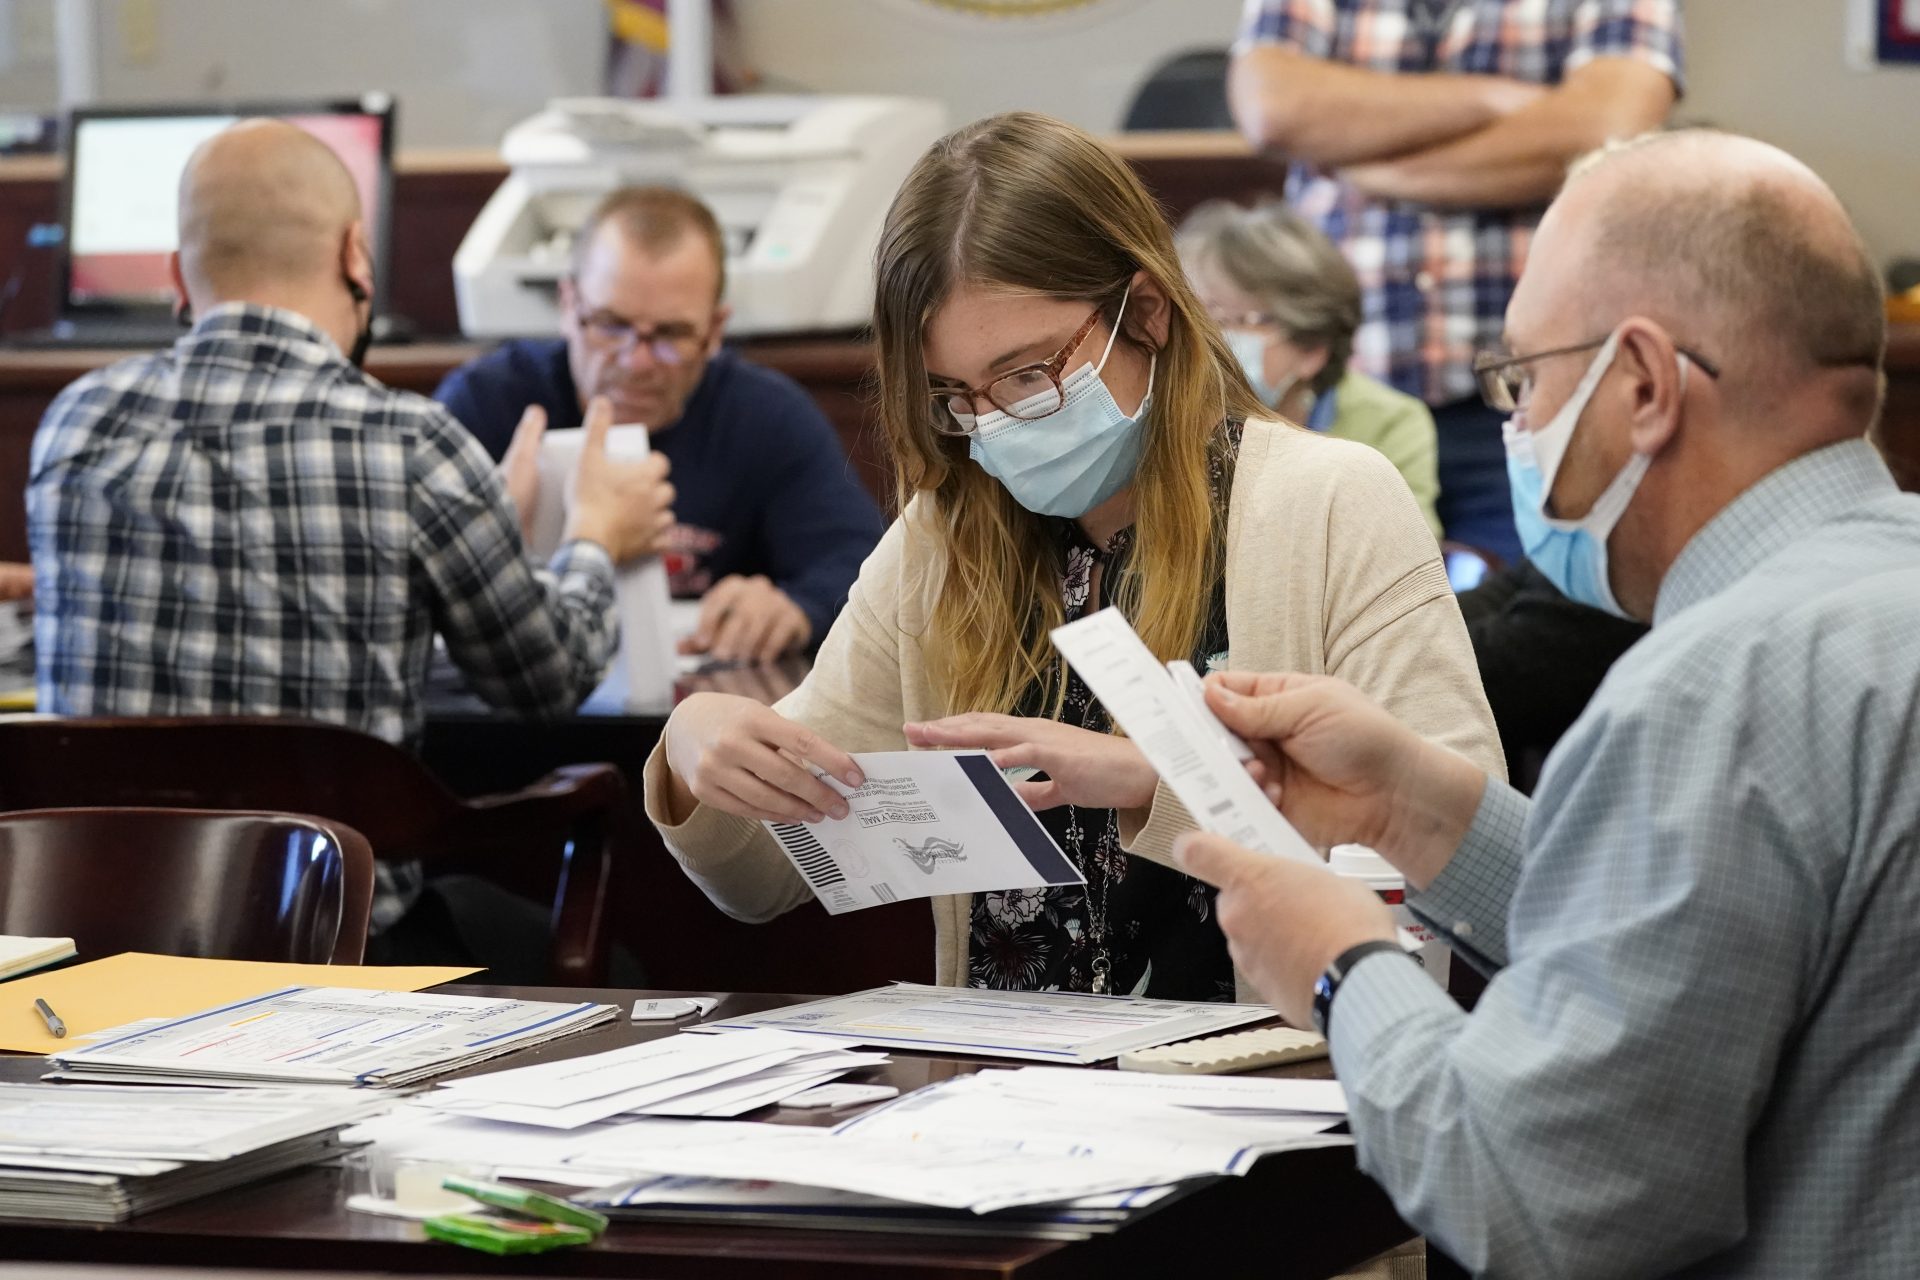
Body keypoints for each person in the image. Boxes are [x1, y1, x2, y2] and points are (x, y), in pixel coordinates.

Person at [1175, 130, 1917, 1275]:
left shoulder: (1709, 686)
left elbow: (1535, 1191)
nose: (1516, 426)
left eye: (1525, 380)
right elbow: (1714, 938)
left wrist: (1340, 965)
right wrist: (1417, 805)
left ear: (1643, 383)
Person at [642, 111, 1502, 1002]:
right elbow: (762, 880)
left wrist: (1156, 783)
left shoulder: (1327, 501)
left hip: (1264, 1088)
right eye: (956, 396)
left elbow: (1455, 860)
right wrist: (692, 749)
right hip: (1004, 1101)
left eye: (1028, 373)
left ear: (1149, 313)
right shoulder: (944, 542)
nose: (999, 424)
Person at [28, 119, 671, 962]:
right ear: (355, 257)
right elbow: (542, 681)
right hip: (337, 950)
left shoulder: (74, 427)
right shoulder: (411, 446)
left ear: (178, 277)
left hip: (102, 948)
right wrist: (593, 535)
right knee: (616, 965)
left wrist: (488, 534)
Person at [1229, 0, 1683, 564]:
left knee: (1532, 631)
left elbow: (1607, 126)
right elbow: (1272, 106)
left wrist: (1378, 164)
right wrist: (1492, 98)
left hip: (1530, 404)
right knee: (1343, 628)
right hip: (1342, 400)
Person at [436, 187, 885, 664]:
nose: (637, 360)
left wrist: (797, 608)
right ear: (568, 305)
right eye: (610, 325)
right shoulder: (486, 405)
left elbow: (864, 569)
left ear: (714, 331)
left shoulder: (767, 416)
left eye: (670, 334)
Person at [1178, 198, 1441, 538]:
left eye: (1239, 320)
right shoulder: (1161, 419)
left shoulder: (1388, 424)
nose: (1210, 339)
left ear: (1312, 347)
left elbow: (1405, 560)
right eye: (1200, 318)